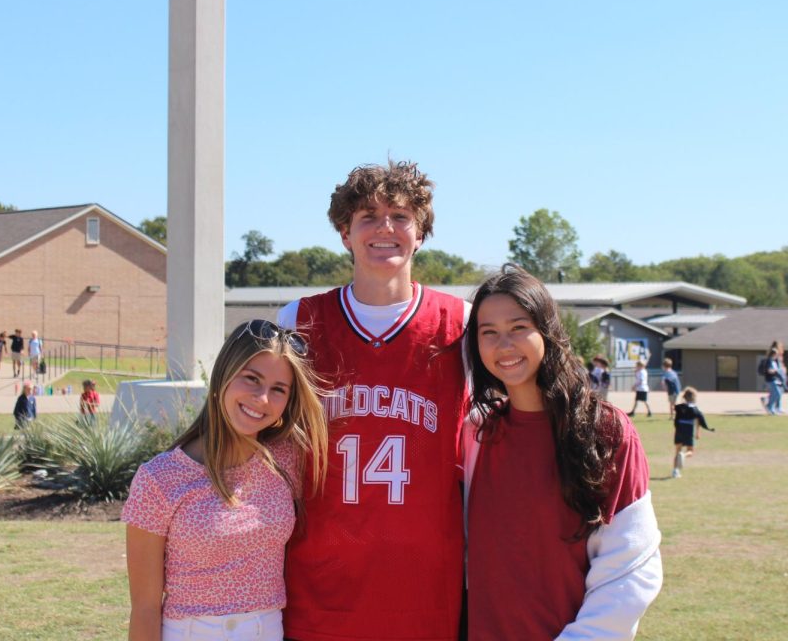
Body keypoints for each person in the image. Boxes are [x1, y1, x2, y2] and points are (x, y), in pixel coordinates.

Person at [277, 160, 468, 641]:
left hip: (426, 588)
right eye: (368, 216)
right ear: (344, 233)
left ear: (420, 233)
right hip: (321, 584)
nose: (386, 228)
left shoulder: (461, 323)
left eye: (401, 216)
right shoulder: (298, 319)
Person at [462, 265, 662, 639]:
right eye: (488, 333)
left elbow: (632, 567)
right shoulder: (476, 433)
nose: (503, 345)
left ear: (547, 331)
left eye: (518, 328)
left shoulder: (604, 430)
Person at [122, 319, 328, 641]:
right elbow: (146, 608)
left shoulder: (287, 461)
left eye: (278, 389)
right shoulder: (159, 480)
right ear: (223, 377)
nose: (262, 398)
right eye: (251, 379)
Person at [672, 386, 714, 479]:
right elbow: (699, 420)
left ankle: (675, 471)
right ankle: (684, 455)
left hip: (679, 430)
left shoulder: (680, 407)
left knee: (677, 451)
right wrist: (698, 432)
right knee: (690, 451)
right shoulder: (695, 409)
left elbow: (676, 418)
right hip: (689, 429)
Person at [761, 343, 785, 415]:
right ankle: (769, 406)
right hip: (771, 380)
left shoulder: (774, 361)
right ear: (773, 354)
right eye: (776, 354)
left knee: (777, 393)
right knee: (777, 393)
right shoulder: (769, 361)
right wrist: (776, 371)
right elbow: (769, 370)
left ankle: (771, 407)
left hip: (775, 379)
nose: (777, 356)